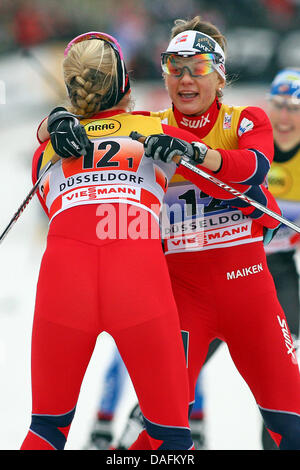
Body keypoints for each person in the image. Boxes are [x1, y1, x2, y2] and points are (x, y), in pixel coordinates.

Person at [36, 17, 300, 450]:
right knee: (160, 436)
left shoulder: (244, 120)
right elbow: (90, 126)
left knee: (291, 426)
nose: (185, 79)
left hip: (249, 291)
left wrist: (199, 155)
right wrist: (53, 122)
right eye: (174, 68)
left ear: (218, 73)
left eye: (197, 67)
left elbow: (255, 168)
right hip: (181, 302)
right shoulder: (147, 125)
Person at [19, 30, 228, 451]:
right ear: (124, 82)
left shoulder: (49, 150)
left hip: (64, 282)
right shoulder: (159, 128)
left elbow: (47, 201)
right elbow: (228, 161)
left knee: (45, 431)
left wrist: (50, 124)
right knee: (171, 437)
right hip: (139, 280)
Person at [260, 68, 300, 449]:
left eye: (294, 108)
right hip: (231, 268)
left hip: (281, 271)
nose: (285, 117)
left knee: (278, 380)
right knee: (186, 365)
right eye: (279, 106)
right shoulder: (256, 146)